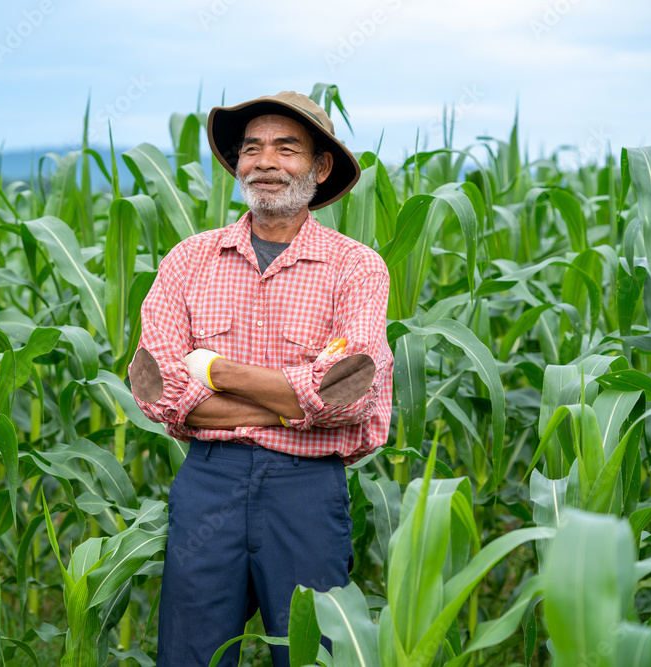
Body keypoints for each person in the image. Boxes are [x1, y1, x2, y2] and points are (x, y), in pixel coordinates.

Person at [128, 91, 394, 666]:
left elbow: (351, 391)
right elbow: (158, 389)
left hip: (305, 490)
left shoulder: (357, 268)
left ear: (320, 168)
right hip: (208, 486)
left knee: (315, 655)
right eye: (252, 148)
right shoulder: (187, 260)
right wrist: (295, 402)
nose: (264, 162)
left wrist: (215, 372)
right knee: (191, 655)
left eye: (286, 148)